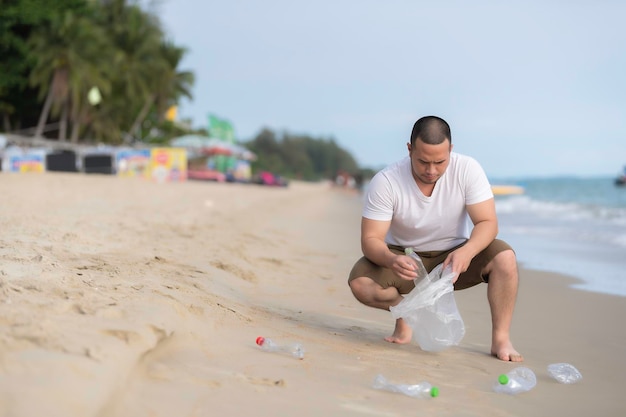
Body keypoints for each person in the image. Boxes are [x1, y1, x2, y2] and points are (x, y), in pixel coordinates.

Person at [348, 115, 523, 362]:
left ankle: (501, 338)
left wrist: (468, 251)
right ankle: (405, 315)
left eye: (440, 162)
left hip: (454, 257)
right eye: (423, 162)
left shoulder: (467, 169)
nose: (431, 170)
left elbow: (487, 223)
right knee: (361, 283)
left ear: (451, 150)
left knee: (505, 258)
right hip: (405, 259)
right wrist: (389, 259)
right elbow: (371, 239)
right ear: (409, 150)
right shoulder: (386, 181)